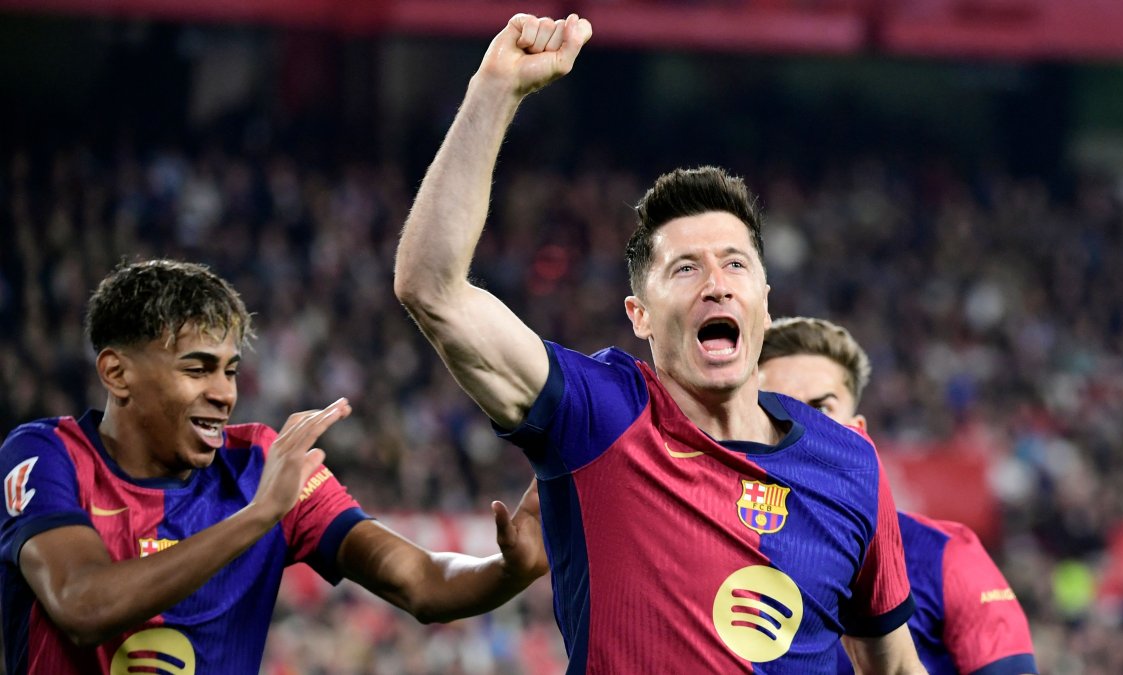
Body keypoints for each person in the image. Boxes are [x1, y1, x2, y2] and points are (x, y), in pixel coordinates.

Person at [393, 13, 925, 673]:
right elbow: (432, 288)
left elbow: (894, 666)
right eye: (685, 268)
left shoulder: (850, 465)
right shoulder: (597, 415)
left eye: (735, 264)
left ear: (765, 296)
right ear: (639, 315)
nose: (716, 284)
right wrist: (495, 89)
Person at [0, 259, 547, 674]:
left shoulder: (263, 462)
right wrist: (257, 517)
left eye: (230, 371)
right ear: (117, 374)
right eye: (198, 369)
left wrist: (506, 572)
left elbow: (422, 581)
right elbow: (81, 604)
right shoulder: (46, 456)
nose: (223, 394)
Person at [758, 316, 1039, 675]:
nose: (803, 428)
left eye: (822, 409)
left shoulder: (944, 557)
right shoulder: (709, 551)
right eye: (779, 408)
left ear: (856, 432)